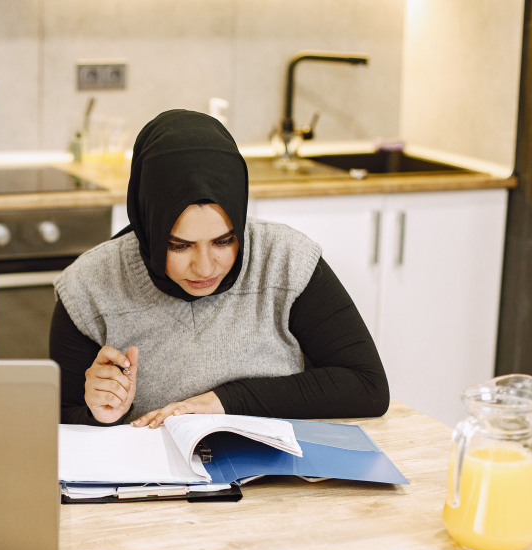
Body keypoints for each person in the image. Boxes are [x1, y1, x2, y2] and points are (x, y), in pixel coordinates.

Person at [50, 109, 389, 428]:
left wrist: (224, 402)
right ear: (148, 226)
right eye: (179, 245)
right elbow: (58, 421)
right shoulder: (88, 287)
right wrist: (99, 414)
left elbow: (367, 386)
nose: (205, 267)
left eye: (224, 241)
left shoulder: (286, 259)